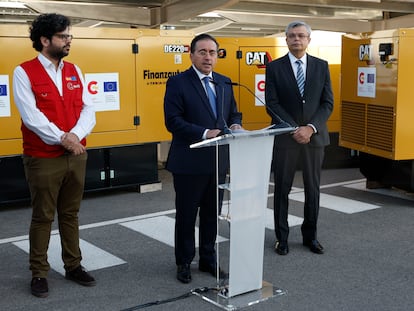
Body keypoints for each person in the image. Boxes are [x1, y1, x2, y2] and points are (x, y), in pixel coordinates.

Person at [13, 13, 96, 298]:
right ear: (44, 40)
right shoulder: (24, 72)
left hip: (76, 154)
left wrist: (74, 137)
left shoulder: (75, 70)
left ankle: (73, 265)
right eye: (63, 36)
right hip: (43, 156)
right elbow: (31, 116)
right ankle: (39, 272)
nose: (68, 40)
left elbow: (88, 109)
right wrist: (64, 138)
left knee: (70, 214)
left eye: (69, 35)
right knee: (43, 216)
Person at [164, 33, 243, 283]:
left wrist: (236, 125)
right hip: (189, 161)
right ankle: (184, 262)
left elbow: (234, 113)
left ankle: (208, 258)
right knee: (187, 215)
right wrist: (205, 132)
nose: (208, 57)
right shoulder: (178, 83)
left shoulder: (224, 82)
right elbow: (173, 121)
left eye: (212, 53)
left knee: (212, 214)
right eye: (203, 52)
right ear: (192, 55)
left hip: (218, 161)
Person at [265, 21, 333, 255]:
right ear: (286, 40)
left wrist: (311, 128)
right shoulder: (274, 68)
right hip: (286, 138)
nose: (297, 39)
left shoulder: (322, 66)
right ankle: (281, 238)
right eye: (292, 36)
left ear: (308, 40)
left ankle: (310, 237)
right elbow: (272, 104)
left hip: (315, 139)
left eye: (301, 36)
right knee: (282, 188)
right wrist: (295, 128)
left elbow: (327, 103)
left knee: (312, 189)